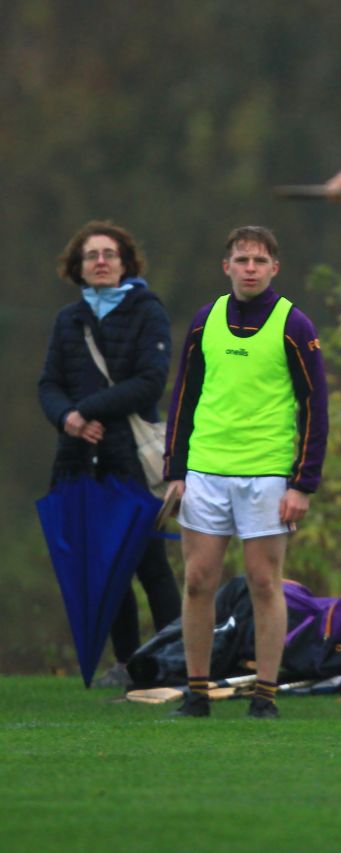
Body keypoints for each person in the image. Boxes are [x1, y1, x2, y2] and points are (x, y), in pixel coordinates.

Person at [163, 226, 328, 719]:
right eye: (242, 260)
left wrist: (304, 482)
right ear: (226, 266)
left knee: (262, 582)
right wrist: (175, 471)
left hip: (268, 473)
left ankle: (266, 694)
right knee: (197, 580)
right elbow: (183, 399)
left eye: (259, 261)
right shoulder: (203, 321)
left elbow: (316, 407)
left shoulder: (294, 325)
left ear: (275, 268)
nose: (250, 268)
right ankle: (197, 692)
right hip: (205, 471)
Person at [38, 221, 182, 687]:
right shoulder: (68, 320)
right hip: (79, 461)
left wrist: (88, 409)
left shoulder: (147, 311)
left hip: (132, 461)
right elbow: (49, 384)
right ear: (78, 268)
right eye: (91, 255)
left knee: (149, 564)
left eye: (109, 254)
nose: (100, 261)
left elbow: (150, 381)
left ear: (125, 263)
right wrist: (69, 419)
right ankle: (128, 663)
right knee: (105, 567)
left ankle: (173, 658)